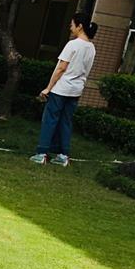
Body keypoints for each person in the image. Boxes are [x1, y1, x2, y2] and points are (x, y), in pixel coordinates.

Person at [31, 13, 98, 167]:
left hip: (61, 88)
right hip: (76, 90)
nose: (70, 27)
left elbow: (61, 68)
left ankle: (42, 153)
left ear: (80, 26)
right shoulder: (91, 48)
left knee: (50, 119)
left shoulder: (73, 44)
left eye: (72, 25)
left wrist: (48, 88)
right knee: (66, 121)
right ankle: (63, 155)